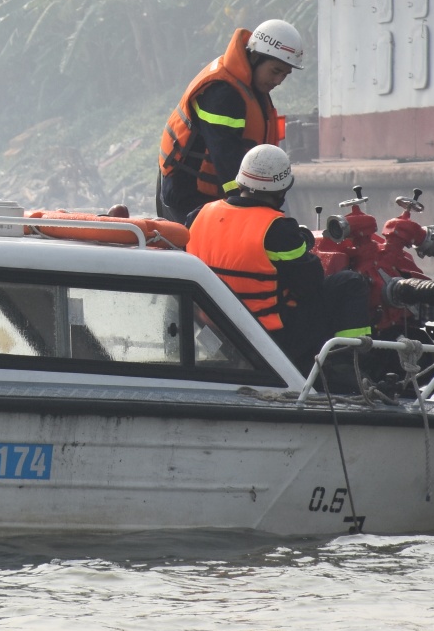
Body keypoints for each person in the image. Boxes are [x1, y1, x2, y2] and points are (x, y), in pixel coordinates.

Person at [185, 144, 370, 376]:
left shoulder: (198, 216)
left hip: (214, 334)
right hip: (267, 341)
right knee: (350, 284)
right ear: (282, 189)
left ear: (241, 181)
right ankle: (347, 369)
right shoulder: (278, 230)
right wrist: (301, 246)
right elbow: (309, 286)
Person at [158, 19, 306, 224]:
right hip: (189, 193)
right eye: (275, 71)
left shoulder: (251, 87)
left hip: (216, 193)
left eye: (284, 74)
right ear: (255, 57)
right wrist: (248, 210)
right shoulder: (222, 94)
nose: (278, 80)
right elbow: (226, 155)